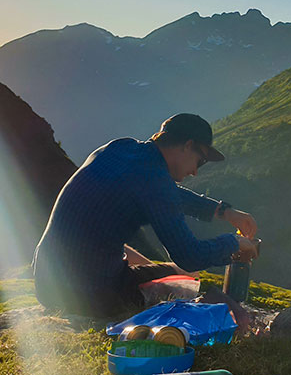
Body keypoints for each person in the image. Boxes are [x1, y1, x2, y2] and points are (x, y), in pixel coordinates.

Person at [33, 113, 259, 317]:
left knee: (171, 273)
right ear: (187, 145)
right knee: (185, 279)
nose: (195, 171)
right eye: (200, 161)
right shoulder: (154, 182)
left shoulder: (121, 148)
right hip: (90, 294)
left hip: (47, 281)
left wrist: (222, 211)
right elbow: (189, 256)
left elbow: (168, 195)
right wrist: (234, 243)